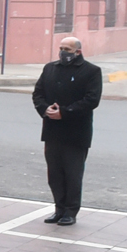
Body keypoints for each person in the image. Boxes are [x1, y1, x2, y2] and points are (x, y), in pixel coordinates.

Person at [32, 36, 103, 225]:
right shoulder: (50, 68)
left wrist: (64, 112)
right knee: (54, 174)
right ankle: (59, 208)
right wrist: (44, 109)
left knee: (72, 174)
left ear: (78, 52)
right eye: (61, 48)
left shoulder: (91, 71)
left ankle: (70, 211)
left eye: (68, 49)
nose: (63, 52)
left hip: (75, 132)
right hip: (52, 130)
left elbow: (91, 100)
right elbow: (38, 93)